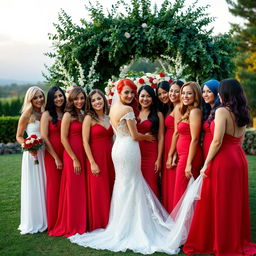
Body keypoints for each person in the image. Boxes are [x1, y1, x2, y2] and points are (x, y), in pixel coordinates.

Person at [69, 78, 202, 254]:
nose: (130, 95)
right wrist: (146, 137)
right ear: (120, 93)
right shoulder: (128, 109)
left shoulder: (114, 108)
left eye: (132, 92)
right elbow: (134, 135)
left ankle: (122, 224)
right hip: (130, 148)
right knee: (132, 183)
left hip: (118, 149)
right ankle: (134, 225)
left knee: (124, 184)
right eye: (127, 92)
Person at [183, 78, 256, 256]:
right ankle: (231, 238)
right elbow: (239, 137)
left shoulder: (222, 111)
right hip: (238, 158)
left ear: (225, 93)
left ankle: (220, 241)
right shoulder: (243, 111)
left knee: (219, 200)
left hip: (223, 159)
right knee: (233, 201)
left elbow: (217, 141)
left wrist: (206, 163)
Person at [49, 87, 87, 237]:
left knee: (82, 188)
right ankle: (73, 223)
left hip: (83, 153)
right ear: (71, 100)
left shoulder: (83, 114)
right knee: (73, 189)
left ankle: (83, 220)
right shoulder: (67, 115)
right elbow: (63, 138)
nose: (79, 101)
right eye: (76, 99)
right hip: (72, 155)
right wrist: (75, 159)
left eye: (82, 98)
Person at [16, 86, 47, 234]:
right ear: (30, 99)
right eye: (35, 97)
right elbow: (19, 135)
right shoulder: (26, 115)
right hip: (33, 154)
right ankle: (35, 220)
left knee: (46, 183)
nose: (39, 99)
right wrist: (28, 146)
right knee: (35, 185)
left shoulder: (45, 113)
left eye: (41, 96)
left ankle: (48, 218)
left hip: (46, 152)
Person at [82, 89, 115, 231]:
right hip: (96, 158)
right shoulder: (89, 118)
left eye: (99, 99)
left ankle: (112, 220)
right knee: (99, 190)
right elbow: (85, 141)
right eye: (93, 100)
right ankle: (100, 222)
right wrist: (92, 162)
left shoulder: (110, 116)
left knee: (111, 188)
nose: (97, 102)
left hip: (111, 157)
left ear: (104, 99)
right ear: (90, 103)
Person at [172, 81, 203, 208]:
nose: (185, 96)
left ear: (195, 95)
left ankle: (182, 226)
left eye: (189, 93)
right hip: (183, 155)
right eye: (183, 93)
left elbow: (195, 139)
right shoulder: (187, 111)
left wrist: (188, 163)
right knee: (183, 191)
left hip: (189, 157)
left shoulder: (195, 112)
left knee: (181, 191)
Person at [40, 86, 66, 233]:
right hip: (53, 155)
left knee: (66, 187)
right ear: (51, 99)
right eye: (55, 97)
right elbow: (44, 137)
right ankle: (54, 222)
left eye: (60, 96)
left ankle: (66, 218)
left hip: (66, 152)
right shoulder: (47, 115)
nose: (58, 99)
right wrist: (56, 158)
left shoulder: (67, 112)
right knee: (54, 188)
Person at [137, 85, 164, 198]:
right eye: (142, 96)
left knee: (151, 184)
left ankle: (153, 214)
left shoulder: (158, 114)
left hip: (151, 154)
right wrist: (143, 137)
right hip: (136, 153)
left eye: (148, 96)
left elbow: (161, 137)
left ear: (153, 99)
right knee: (137, 185)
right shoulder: (133, 113)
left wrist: (158, 159)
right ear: (138, 97)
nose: (145, 99)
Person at [162, 80, 184, 213]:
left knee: (173, 182)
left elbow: (177, 131)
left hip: (173, 145)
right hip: (168, 145)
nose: (173, 94)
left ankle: (173, 212)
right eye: (171, 91)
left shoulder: (178, 107)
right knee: (169, 181)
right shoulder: (173, 107)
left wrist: (171, 154)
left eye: (177, 91)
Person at [201, 79, 220, 159]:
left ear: (216, 92)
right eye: (203, 91)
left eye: (209, 91)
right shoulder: (207, 110)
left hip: (216, 151)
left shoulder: (220, 111)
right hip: (206, 149)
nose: (205, 95)